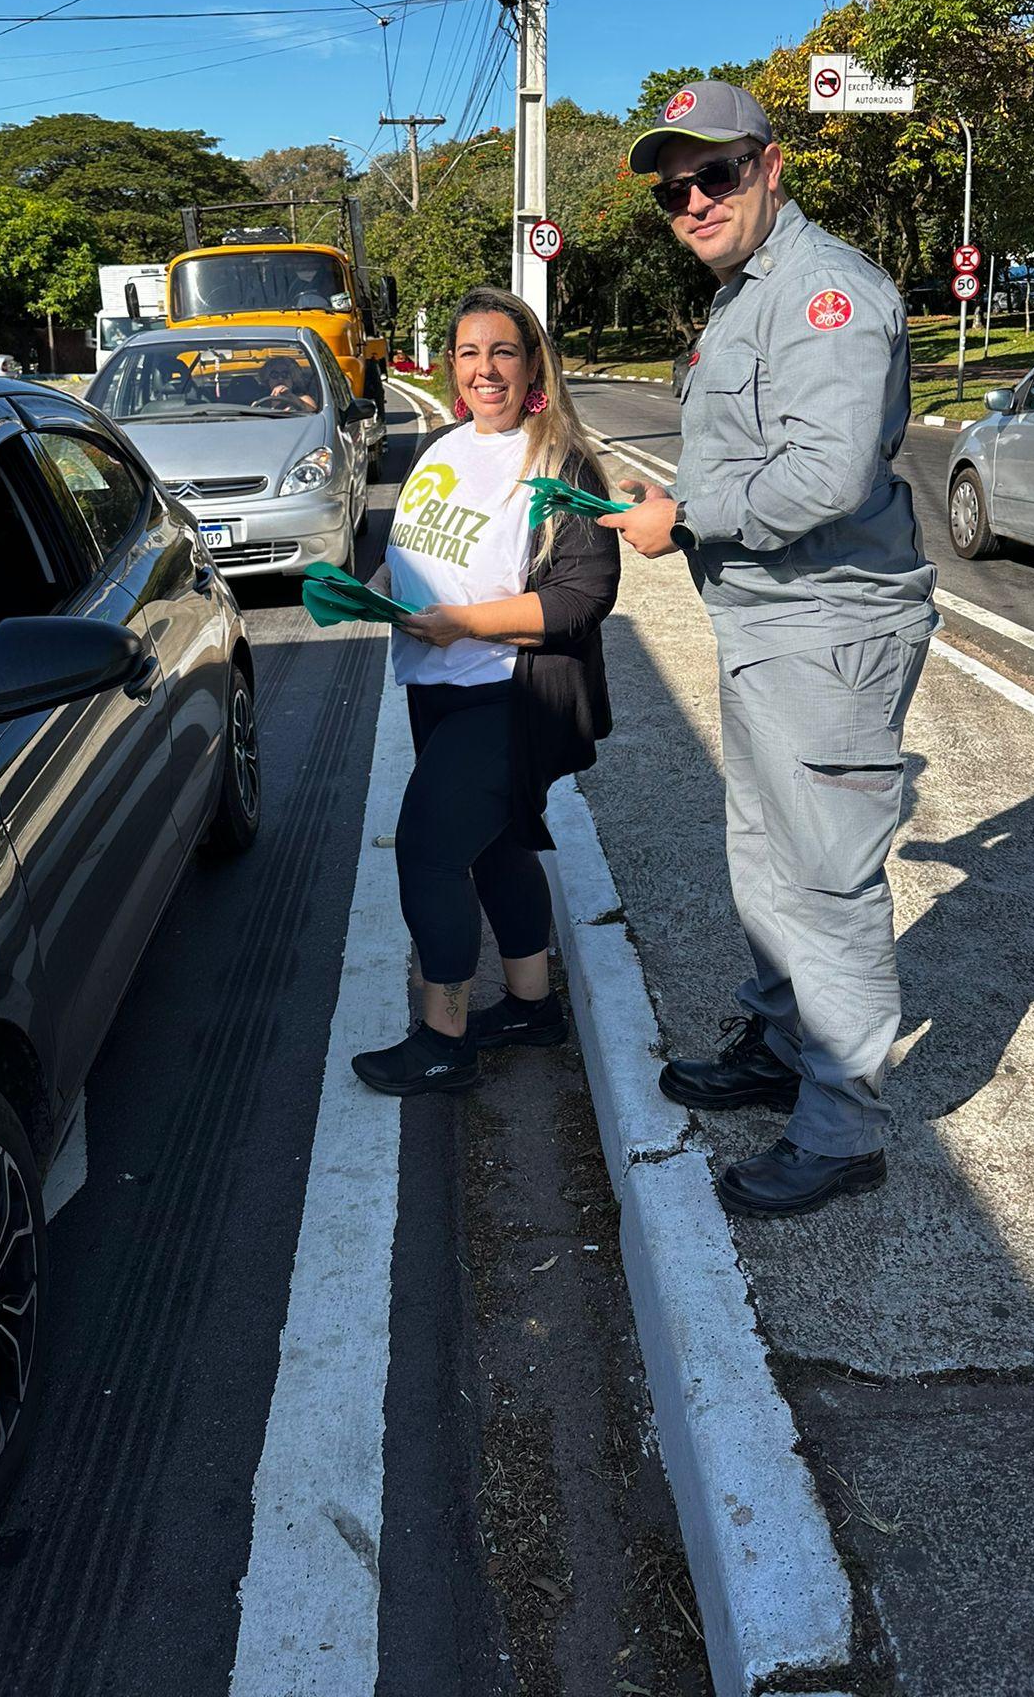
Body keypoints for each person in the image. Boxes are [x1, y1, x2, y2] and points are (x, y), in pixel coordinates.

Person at [605, 80, 937, 1219]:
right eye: (673, 188)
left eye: (716, 173)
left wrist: (685, 512)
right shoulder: (747, 294)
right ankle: (786, 1042)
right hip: (767, 624)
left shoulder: (828, 291)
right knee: (765, 858)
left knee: (828, 881)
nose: (693, 199)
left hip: (831, 627)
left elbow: (828, 475)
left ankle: (845, 1126)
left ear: (770, 166)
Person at [351, 286, 620, 1098]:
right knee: (496, 844)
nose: (485, 369)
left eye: (503, 351)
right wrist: (370, 586)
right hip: (436, 686)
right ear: (452, 368)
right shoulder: (441, 446)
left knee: (430, 856)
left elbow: (583, 596)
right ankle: (534, 1009)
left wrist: (464, 622)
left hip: (507, 695)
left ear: (534, 362)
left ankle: (444, 1038)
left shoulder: (557, 462)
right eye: (469, 353)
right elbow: (419, 547)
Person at [252, 352, 318, 411]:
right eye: (274, 375)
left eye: (285, 374)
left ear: (293, 378)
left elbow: (314, 415)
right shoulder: (262, 403)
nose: (280, 379)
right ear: (267, 380)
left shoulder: (304, 399)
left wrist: (294, 399)